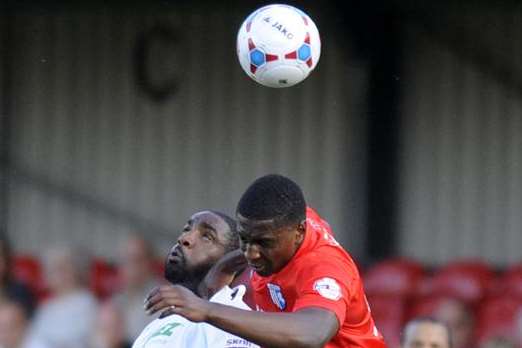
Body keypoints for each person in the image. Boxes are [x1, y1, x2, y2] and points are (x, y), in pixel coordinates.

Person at [144, 174, 386, 348]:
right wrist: (224, 266)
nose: (251, 254)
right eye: (244, 239)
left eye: (263, 243)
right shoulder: (288, 223)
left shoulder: (326, 269)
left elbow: (312, 334)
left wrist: (206, 310)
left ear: (299, 233)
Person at [132, 210, 259, 348]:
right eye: (186, 229)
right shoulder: (163, 321)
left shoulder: (234, 318)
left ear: (232, 261)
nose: (184, 238)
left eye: (207, 237)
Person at [26, 245, 98, 348]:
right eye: (51, 269)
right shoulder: (45, 308)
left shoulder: (87, 303)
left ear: (76, 271)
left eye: (62, 268)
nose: (55, 274)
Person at [111, 235, 161, 342]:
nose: (129, 267)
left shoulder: (161, 298)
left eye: (136, 260)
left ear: (149, 263)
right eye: (124, 260)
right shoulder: (117, 298)